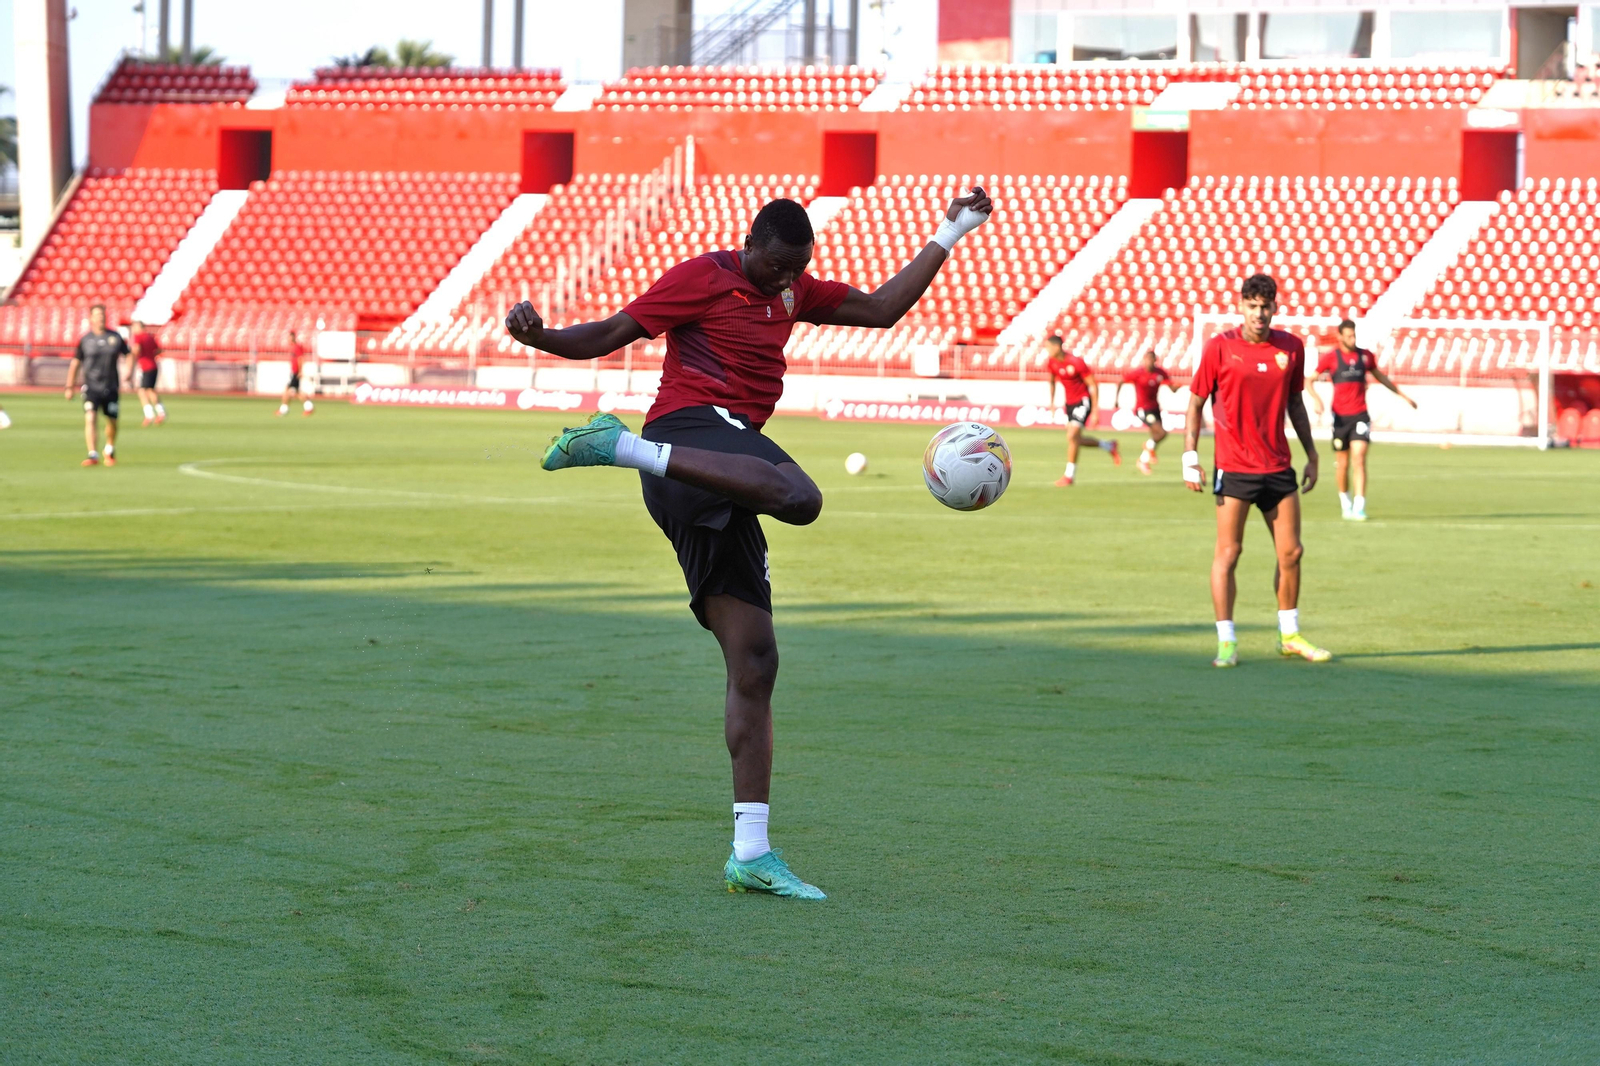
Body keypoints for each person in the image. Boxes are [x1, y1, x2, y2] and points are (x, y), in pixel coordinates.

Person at [505, 189, 995, 899]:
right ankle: (620, 446)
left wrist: (952, 230)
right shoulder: (702, 276)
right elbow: (614, 331)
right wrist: (542, 338)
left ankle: (750, 853)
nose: (783, 279)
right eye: (775, 265)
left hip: (719, 470)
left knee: (756, 662)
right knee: (801, 498)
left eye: (796, 268)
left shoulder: (793, 290)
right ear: (751, 243)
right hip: (690, 429)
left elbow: (883, 308)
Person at [1182, 274, 1331, 668]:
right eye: (1252, 305)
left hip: (1279, 466)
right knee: (1229, 553)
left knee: (1292, 552)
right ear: (1242, 306)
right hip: (1234, 468)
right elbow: (1196, 404)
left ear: (1275, 308)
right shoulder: (1219, 347)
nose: (1259, 313)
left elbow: (1296, 404)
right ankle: (1227, 640)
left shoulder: (1291, 348)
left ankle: (1289, 634)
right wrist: (1190, 457)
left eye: (1266, 306)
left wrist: (1312, 454)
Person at [1307, 319, 1416, 521]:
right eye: (1348, 335)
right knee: (1342, 464)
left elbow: (1381, 377)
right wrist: (1316, 399)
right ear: (1340, 336)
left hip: (1360, 415)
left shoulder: (1365, 357)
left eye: (1354, 335)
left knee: (1359, 458)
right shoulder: (1331, 358)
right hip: (1339, 418)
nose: (1352, 339)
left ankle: (1359, 506)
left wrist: (1402, 395)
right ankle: (1345, 502)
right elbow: (1309, 380)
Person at [1044, 336, 1119, 486]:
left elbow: (1093, 384)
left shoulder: (1076, 362)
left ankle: (1069, 476)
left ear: (1057, 347)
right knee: (1075, 440)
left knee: (1072, 436)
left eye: (1049, 347)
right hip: (1069, 404)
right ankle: (1108, 445)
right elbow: (1052, 381)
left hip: (1083, 401)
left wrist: (1096, 411)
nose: (1047, 350)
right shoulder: (1051, 363)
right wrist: (1052, 403)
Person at [65, 304, 131, 467]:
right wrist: (69, 386)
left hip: (111, 386)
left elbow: (129, 354)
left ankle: (109, 448)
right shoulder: (85, 340)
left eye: (103, 315)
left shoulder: (115, 337)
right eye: (97, 315)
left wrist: (129, 371)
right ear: (91, 318)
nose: (100, 317)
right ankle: (92, 454)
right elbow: (76, 363)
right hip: (91, 387)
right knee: (90, 417)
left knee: (112, 421)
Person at [1117, 349, 1171, 475]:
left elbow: (1171, 387)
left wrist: (1178, 386)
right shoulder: (1138, 373)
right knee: (1161, 433)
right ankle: (1148, 447)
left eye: (1151, 359)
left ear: (1154, 360)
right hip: (1143, 409)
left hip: (1155, 408)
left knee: (1155, 436)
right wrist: (1116, 400)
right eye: (1146, 359)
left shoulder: (1160, 373)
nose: (1148, 362)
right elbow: (1121, 381)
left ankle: (1143, 460)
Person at [128, 319, 167, 426]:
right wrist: (150, 355)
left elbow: (136, 349)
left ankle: (150, 414)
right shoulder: (150, 337)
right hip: (153, 365)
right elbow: (158, 350)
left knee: (143, 391)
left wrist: (132, 357)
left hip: (146, 367)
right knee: (150, 390)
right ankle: (160, 412)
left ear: (138, 327)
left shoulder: (138, 337)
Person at [278, 331, 314, 417]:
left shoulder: (297, 347)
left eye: (290, 337)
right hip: (294, 372)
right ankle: (308, 407)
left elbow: (301, 358)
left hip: (296, 372)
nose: (288, 339)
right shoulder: (293, 347)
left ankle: (284, 409)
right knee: (296, 392)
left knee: (289, 390)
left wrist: (300, 371)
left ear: (293, 337)